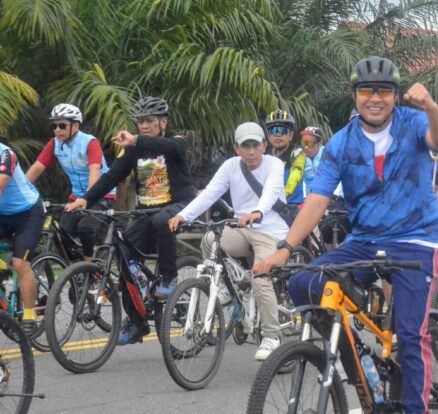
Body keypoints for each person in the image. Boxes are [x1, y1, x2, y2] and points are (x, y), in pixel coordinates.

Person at [254, 56, 438, 414]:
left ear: (395, 96)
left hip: (415, 240)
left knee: (412, 334)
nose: (375, 98)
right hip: (365, 240)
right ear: (355, 96)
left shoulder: (414, 123)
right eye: (367, 91)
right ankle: (357, 357)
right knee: (303, 282)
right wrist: (284, 249)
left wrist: (430, 105)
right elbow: (318, 199)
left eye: (383, 91)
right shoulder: (341, 142)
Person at [66, 96, 196, 345]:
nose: (144, 126)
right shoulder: (134, 150)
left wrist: (135, 139)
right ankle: (136, 322)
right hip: (146, 210)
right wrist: (86, 200)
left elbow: (170, 149)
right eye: (140, 122)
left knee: (161, 221)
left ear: (163, 122)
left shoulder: (176, 142)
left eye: (149, 121)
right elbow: (111, 177)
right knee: (124, 253)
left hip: (179, 206)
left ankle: (169, 276)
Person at [169, 122, 288, 360]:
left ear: (264, 146)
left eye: (256, 145)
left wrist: (258, 212)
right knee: (210, 239)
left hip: (271, 230)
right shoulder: (230, 166)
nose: (251, 151)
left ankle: (271, 335)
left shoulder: (274, 164)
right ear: (236, 148)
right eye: (246, 146)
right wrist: (184, 215)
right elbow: (211, 193)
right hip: (241, 228)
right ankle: (224, 290)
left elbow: (271, 191)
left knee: (261, 277)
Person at [26, 104, 115, 259]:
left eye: (62, 125)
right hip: (76, 195)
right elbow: (37, 168)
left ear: (75, 125)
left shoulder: (89, 142)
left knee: (85, 228)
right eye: (54, 126)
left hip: (100, 193)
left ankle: (89, 268)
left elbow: (94, 171)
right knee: (63, 232)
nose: (57, 130)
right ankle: (74, 270)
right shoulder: (55, 144)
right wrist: (21, 189)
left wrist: (86, 198)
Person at [0, 143, 44, 335]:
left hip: (28, 213)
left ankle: (29, 316)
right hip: (3, 214)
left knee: (20, 263)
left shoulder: (5, 153)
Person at [265, 110, 307, 206]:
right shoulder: (264, 153)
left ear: (291, 135)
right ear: (268, 135)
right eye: (274, 130)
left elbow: (295, 176)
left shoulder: (298, 152)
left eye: (283, 131)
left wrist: (279, 196)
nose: (278, 134)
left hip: (290, 206)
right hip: (266, 206)